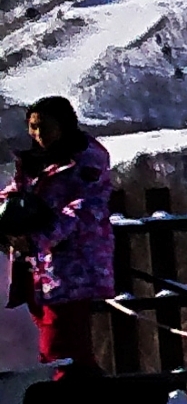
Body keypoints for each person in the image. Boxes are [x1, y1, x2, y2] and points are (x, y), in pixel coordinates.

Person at [2, 99, 114, 373]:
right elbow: (14, 193)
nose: (39, 134)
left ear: (64, 126)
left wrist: (38, 237)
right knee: (57, 343)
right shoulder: (35, 163)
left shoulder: (86, 161)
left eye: (46, 127)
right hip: (38, 268)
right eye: (33, 127)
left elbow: (83, 209)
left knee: (60, 345)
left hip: (71, 265)